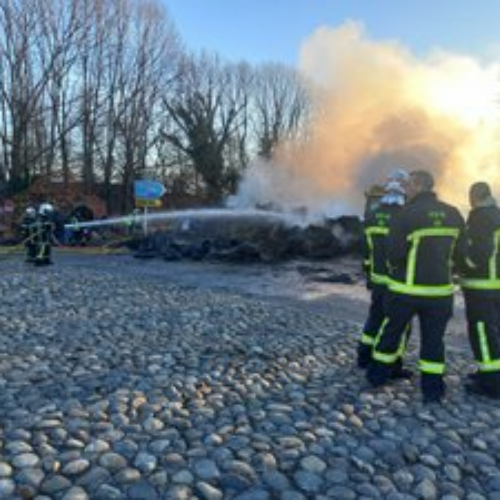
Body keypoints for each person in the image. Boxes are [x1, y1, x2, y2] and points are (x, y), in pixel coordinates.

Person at [367, 170, 466, 403]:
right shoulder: (453, 213)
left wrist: (395, 269)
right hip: (440, 293)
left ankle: (377, 376)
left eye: (409, 185)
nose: (406, 189)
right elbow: (461, 254)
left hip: (405, 291)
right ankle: (432, 390)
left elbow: (394, 253)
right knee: (434, 341)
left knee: (391, 333)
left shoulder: (405, 214)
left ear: (420, 185)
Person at [358, 170, 411, 372]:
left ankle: (363, 356)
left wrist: (368, 273)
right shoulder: (403, 219)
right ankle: (392, 363)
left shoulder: (371, 217)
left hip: (377, 279)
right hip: (396, 282)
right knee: (397, 324)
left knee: (375, 317)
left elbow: (366, 251)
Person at [460, 182, 500, 399]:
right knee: (495, 332)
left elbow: (479, 253)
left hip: (481, 286)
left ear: (474, 196)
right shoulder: (497, 215)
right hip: (496, 286)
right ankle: (490, 372)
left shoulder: (480, 217)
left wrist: (462, 264)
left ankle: (491, 382)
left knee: (483, 334)